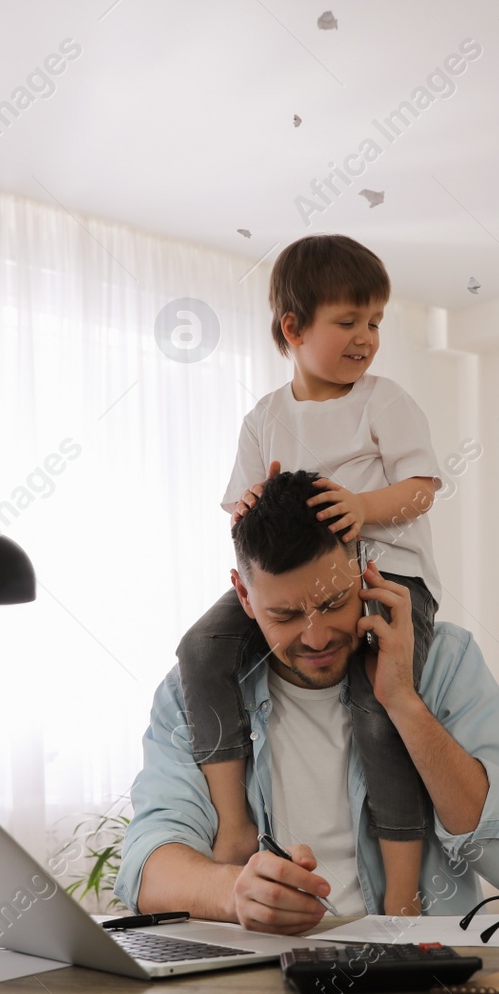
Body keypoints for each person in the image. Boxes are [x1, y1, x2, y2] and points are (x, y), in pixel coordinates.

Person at [103, 469, 499, 994]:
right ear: (243, 595)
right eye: (284, 615)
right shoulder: (192, 696)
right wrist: (238, 892)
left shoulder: (446, 660)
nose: (316, 635)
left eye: (334, 602)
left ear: (362, 564)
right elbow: (149, 863)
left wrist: (404, 704)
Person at [176, 233, 445, 918]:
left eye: (375, 322)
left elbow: (420, 489)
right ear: (294, 329)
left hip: (388, 578)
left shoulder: (383, 401)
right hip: (294, 585)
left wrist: (362, 506)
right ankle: (234, 822)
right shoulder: (265, 417)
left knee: (376, 710)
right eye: (349, 322)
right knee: (201, 648)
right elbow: (241, 512)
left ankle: (404, 887)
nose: (367, 339)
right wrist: (255, 508)